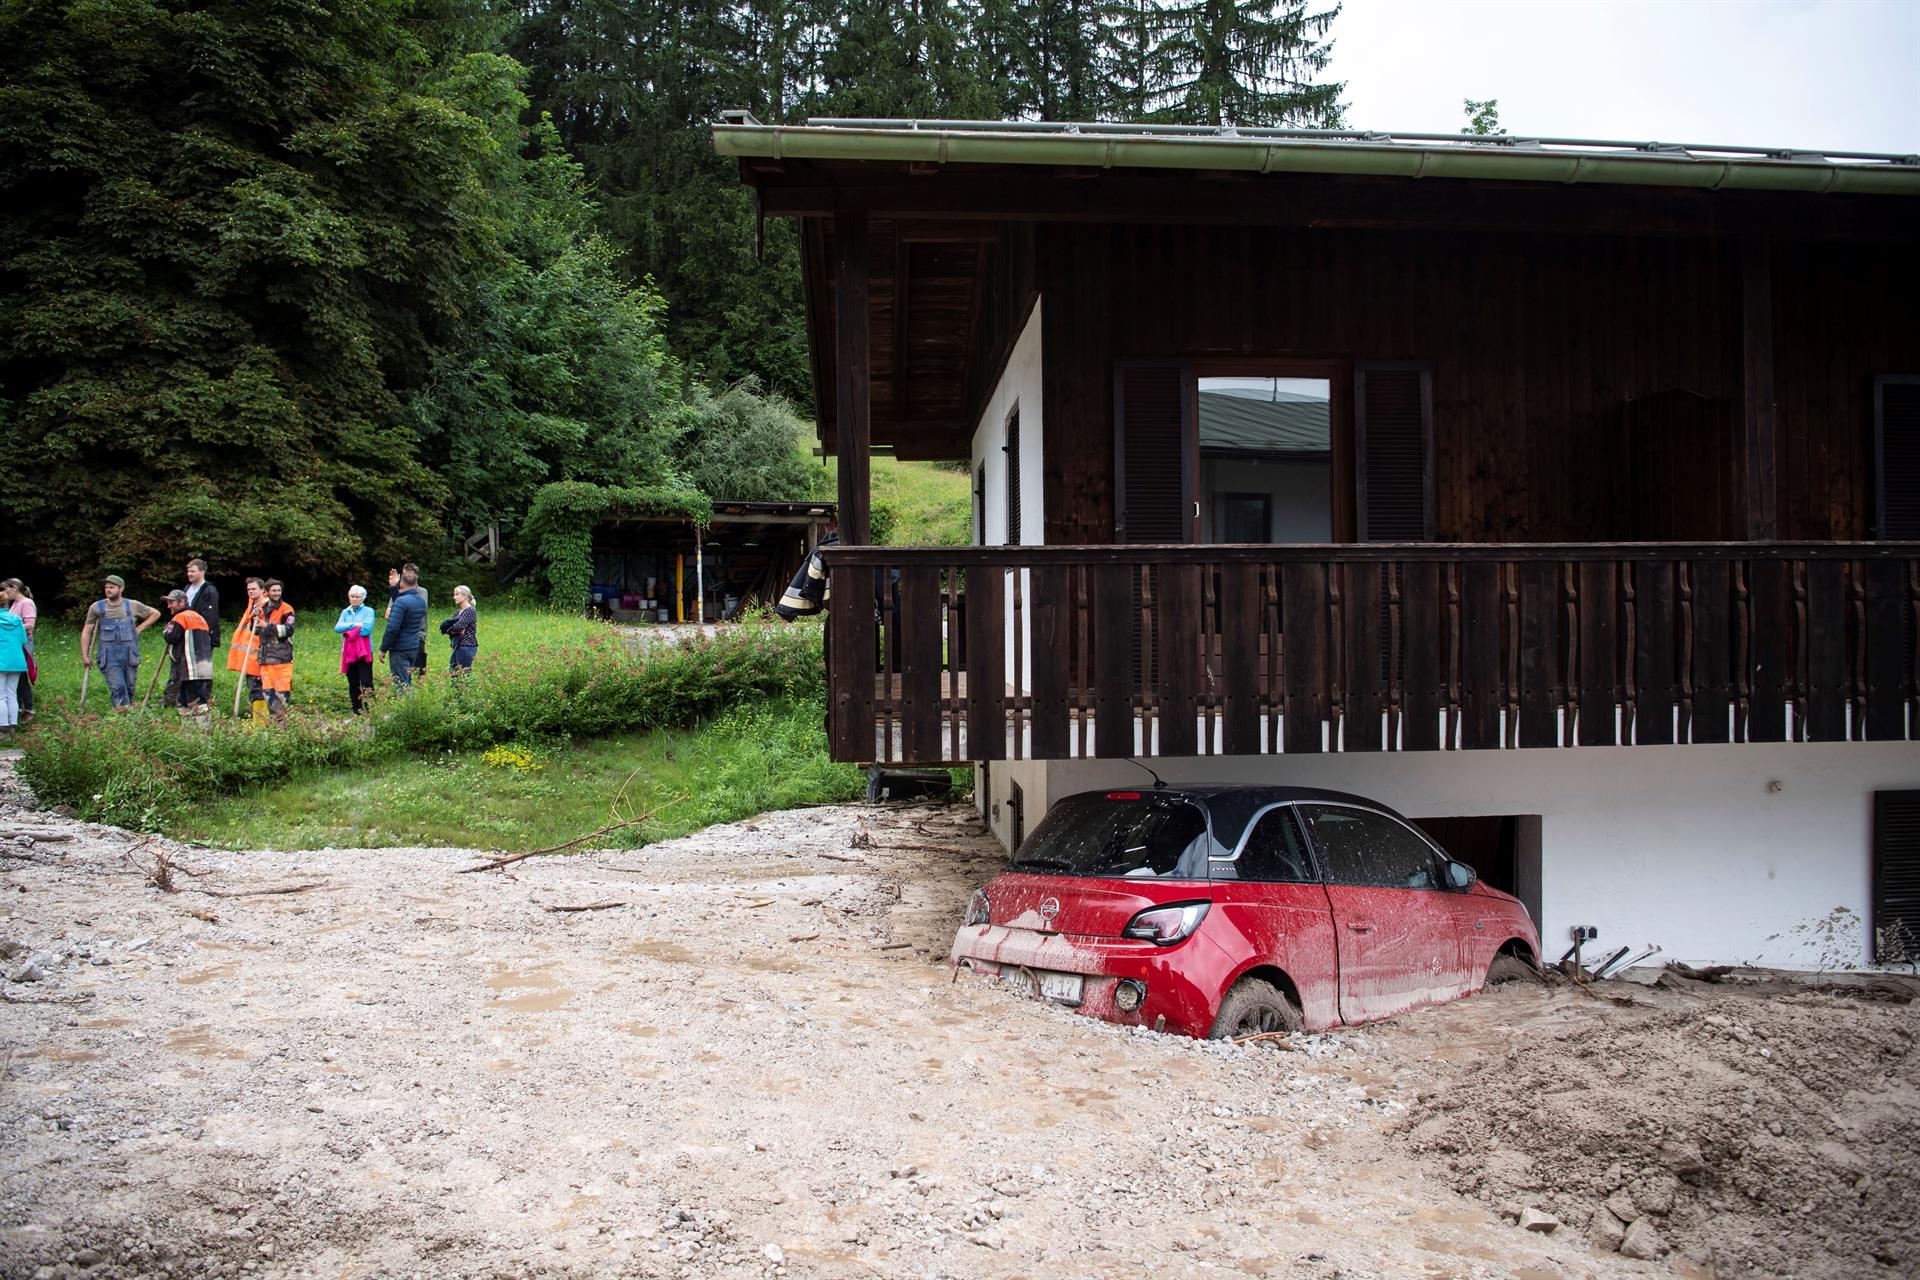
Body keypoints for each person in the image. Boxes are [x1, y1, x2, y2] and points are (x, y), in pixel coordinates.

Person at [79, 575, 159, 710]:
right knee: (118, 686)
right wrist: (85, 655)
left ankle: (126, 715)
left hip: (129, 655)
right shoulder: (97, 607)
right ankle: (122, 717)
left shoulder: (132, 605)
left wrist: (139, 628)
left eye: (112, 587)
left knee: (129, 687)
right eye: (106, 587)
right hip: (109, 656)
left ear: (121, 588)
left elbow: (155, 613)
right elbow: (86, 632)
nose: (108, 590)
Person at [164, 558, 221, 709]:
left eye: (193, 571)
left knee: (199, 671)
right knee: (179, 669)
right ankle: (175, 700)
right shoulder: (187, 588)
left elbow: (211, 616)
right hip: (183, 634)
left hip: (200, 636)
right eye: (188, 571)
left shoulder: (209, 590)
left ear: (202, 572)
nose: (189, 574)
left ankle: (200, 702)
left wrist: (201, 634)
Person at [162, 590, 215, 727]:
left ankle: (203, 734)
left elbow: (171, 637)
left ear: (182, 602)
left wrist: (166, 630)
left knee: (195, 702)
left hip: (189, 668)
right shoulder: (199, 617)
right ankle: (190, 735)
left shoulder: (180, 618)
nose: (169, 606)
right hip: (203, 666)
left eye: (171, 602)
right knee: (183, 701)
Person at [252, 579, 296, 723]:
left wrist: (267, 625)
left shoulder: (287, 609)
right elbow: (254, 631)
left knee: (281, 695)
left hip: (281, 659)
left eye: (279, 590)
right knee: (268, 694)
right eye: (274, 590)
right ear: (267, 592)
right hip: (265, 658)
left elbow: (288, 630)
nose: (276, 593)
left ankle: (283, 728)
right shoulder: (261, 608)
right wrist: (254, 619)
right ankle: (274, 729)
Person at [380, 566, 427, 689]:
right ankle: (411, 706)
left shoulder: (401, 602)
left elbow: (392, 628)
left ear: (401, 583)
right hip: (413, 645)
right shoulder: (420, 601)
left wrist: (383, 648)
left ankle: (408, 708)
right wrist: (394, 588)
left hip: (400, 648)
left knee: (401, 686)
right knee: (407, 681)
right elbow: (403, 601)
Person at [226, 577, 267, 714]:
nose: (250, 591)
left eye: (254, 588)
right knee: (254, 688)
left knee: (258, 688)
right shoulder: (252, 605)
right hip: (249, 656)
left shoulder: (265, 607)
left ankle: (261, 723)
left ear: (262, 590)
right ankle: (259, 721)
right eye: (248, 589)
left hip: (259, 655)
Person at [335, 585, 376, 713]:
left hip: (364, 652)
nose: (354, 599)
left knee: (366, 681)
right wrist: (355, 624)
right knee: (353, 682)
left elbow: (366, 629)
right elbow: (338, 628)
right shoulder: (345, 612)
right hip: (348, 652)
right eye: (352, 596)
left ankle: (371, 709)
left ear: (363, 598)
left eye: (357, 597)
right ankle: (356, 710)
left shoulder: (369, 611)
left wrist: (349, 629)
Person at [1, 580, 35, 721]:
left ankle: (27, 708)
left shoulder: (26, 603)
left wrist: (12, 629)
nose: (5, 593)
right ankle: (15, 716)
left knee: (6, 691)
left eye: (6, 589)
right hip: (15, 645)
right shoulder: (14, 606)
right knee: (12, 688)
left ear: (14, 588)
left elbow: (30, 625)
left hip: (17, 644)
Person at [439, 585, 478, 673]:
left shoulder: (469, 610)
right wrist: (452, 629)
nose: (454, 597)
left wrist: (450, 629)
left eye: (457, 594)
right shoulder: (458, 612)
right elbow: (453, 628)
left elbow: (459, 627)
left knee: (463, 675)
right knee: (454, 674)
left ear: (464, 596)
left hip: (466, 646)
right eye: (454, 594)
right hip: (457, 646)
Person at [0, 604, 26, 735]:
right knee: (12, 694)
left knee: (1, 696)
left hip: (1, 661)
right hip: (17, 661)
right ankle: (13, 725)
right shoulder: (17, 619)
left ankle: (3, 726)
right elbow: (23, 640)